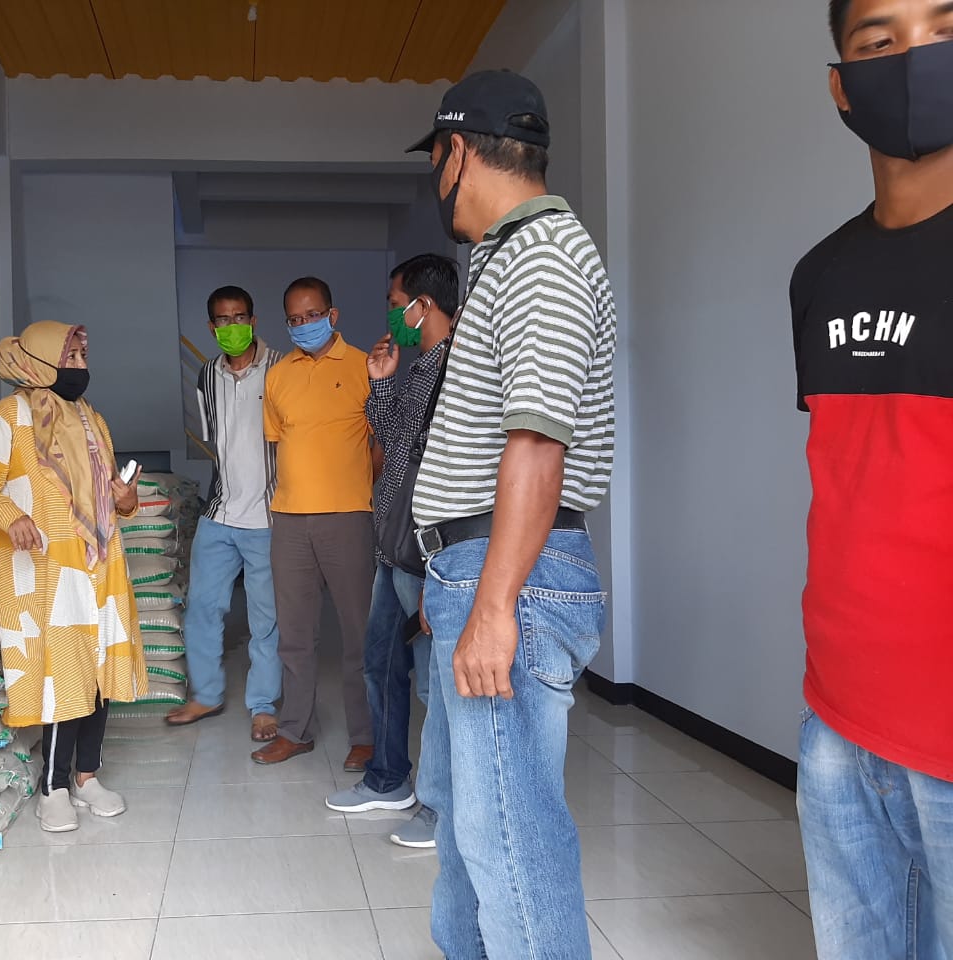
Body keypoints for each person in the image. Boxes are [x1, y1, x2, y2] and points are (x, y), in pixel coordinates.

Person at [405, 71, 617, 958]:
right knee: (467, 823)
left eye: (436, 159)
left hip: (512, 579)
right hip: (482, 569)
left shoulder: (541, 258)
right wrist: (454, 580)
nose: (437, 180)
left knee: (511, 841)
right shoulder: (505, 257)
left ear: (457, 151)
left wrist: (492, 604)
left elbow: (536, 443)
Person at [792, 2, 953, 956]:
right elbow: (855, 476)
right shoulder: (820, 275)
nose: (917, 59)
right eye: (880, 42)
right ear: (842, 85)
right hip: (837, 719)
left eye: (945, 29)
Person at [0, 320, 148, 833]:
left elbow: (111, 497)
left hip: (100, 563)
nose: (82, 367)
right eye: (72, 357)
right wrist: (10, 515)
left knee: (99, 669)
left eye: (83, 356)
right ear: (41, 361)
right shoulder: (11, 416)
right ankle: (54, 787)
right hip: (47, 565)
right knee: (63, 672)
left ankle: (88, 776)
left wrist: (126, 499)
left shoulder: (92, 419)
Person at [324, 254, 458, 851]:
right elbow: (395, 445)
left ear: (422, 306)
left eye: (396, 302)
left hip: (428, 554)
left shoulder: (459, 369)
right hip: (394, 548)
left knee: (437, 687)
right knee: (381, 663)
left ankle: (444, 809)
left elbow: (456, 475)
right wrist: (380, 381)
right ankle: (387, 780)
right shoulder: (421, 366)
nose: (391, 314)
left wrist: (441, 567)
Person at [250, 277, 375, 770]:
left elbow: (381, 444)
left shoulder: (364, 366)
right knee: (295, 635)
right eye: (295, 319)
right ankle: (294, 731)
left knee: (359, 632)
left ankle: (365, 736)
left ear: (332, 315)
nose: (304, 325)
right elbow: (279, 443)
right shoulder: (278, 376)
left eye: (312, 315)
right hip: (289, 521)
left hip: (348, 516)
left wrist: (359, 490)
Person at [165, 286, 284, 743]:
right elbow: (217, 443)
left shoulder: (281, 369)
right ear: (211, 327)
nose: (232, 326)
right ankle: (207, 695)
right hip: (219, 512)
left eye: (239, 317)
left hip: (268, 517)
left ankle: (263, 706)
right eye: (222, 319)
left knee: (266, 617)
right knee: (201, 607)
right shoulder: (206, 375)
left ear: (253, 320)